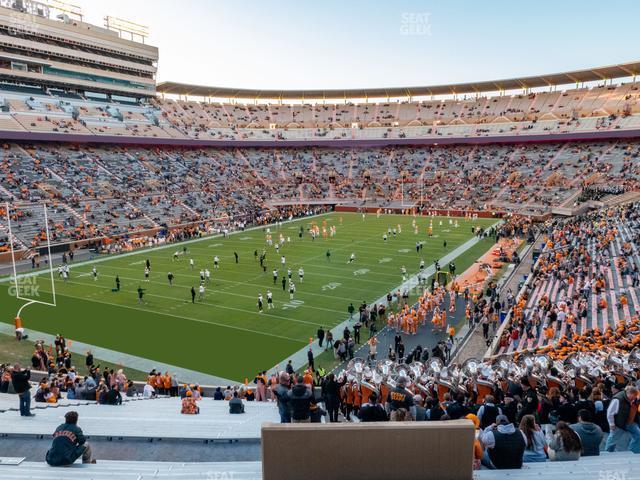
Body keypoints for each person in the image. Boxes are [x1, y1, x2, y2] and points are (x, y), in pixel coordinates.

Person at [605, 385, 640, 453]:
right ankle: (608, 453)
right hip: (618, 423)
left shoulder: (630, 398)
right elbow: (610, 412)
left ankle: (632, 451)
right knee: (612, 440)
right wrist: (611, 424)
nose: (634, 398)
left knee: (638, 435)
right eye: (634, 396)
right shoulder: (617, 399)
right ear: (630, 393)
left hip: (628, 421)